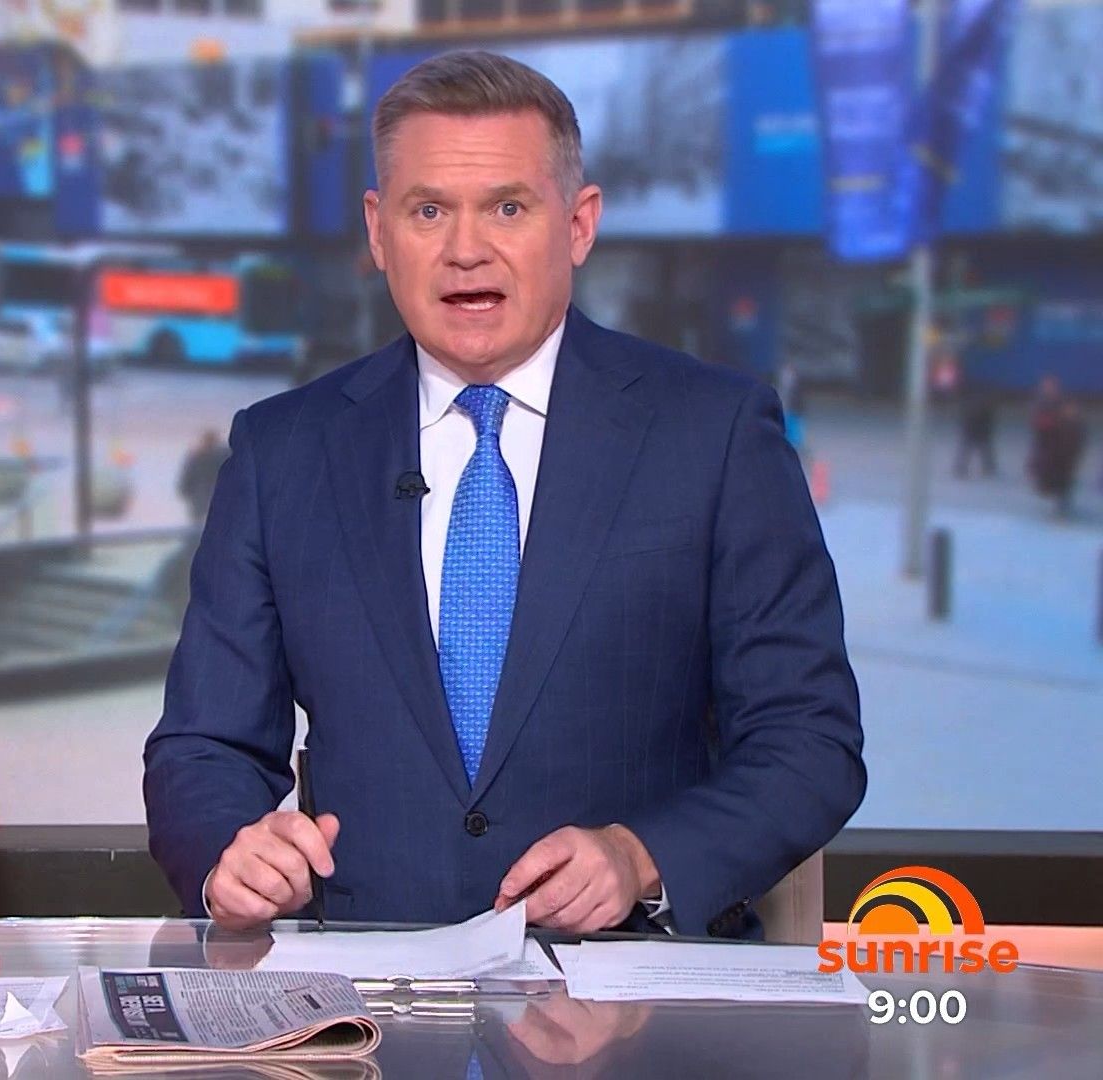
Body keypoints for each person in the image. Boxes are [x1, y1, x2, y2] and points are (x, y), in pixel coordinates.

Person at [143, 51, 864, 940]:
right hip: (368, 984)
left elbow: (808, 741)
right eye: (428, 210)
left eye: (508, 208)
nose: (465, 250)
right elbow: (204, 743)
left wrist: (641, 856)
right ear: (378, 231)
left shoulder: (712, 433)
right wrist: (229, 851)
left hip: (633, 983)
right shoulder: (282, 450)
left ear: (580, 224)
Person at [1028, 374, 1086, 517]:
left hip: (1064, 452)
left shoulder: (1064, 405)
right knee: (1050, 479)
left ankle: (1062, 506)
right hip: (1051, 450)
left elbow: (1078, 434)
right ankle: (1058, 501)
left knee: (1063, 480)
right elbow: (1039, 425)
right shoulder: (1042, 404)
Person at [175, 429, 229, 523]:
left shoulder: (197, 457)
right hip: (208, 500)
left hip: (203, 499)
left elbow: (186, 481)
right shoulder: (222, 456)